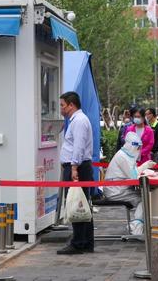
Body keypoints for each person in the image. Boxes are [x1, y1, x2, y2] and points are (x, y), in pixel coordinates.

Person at [57, 91, 94, 255]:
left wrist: (73, 168)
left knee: (77, 204)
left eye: (62, 105)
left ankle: (79, 242)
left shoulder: (78, 121)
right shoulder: (77, 120)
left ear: (71, 105)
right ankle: (85, 241)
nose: (61, 108)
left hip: (77, 168)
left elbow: (78, 147)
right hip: (78, 166)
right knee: (82, 204)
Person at [104, 132, 155, 235]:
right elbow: (133, 176)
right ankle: (135, 228)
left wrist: (144, 167)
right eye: (137, 148)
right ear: (132, 146)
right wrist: (145, 166)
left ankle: (138, 225)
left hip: (120, 189)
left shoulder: (125, 155)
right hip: (116, 191)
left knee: (145, 198)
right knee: (144, 199)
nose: (138, 151)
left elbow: (133, 172)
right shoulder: (122, 157)